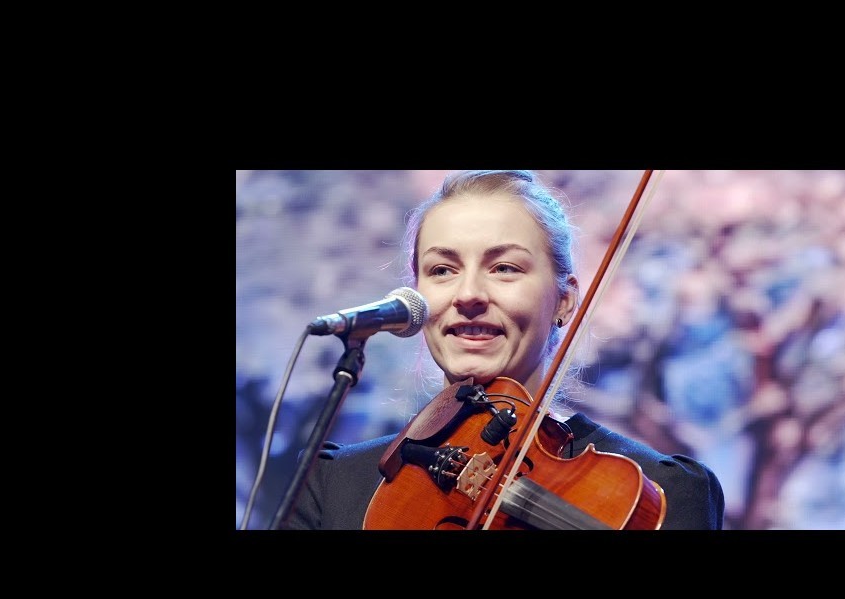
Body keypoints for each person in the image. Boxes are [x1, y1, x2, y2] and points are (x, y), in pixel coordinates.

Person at [274, 170, 724, 530]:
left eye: (504, 268)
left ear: (564, 300)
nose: (468, 293)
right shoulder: (333, 483)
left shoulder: (659, 491)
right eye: (442, 269)